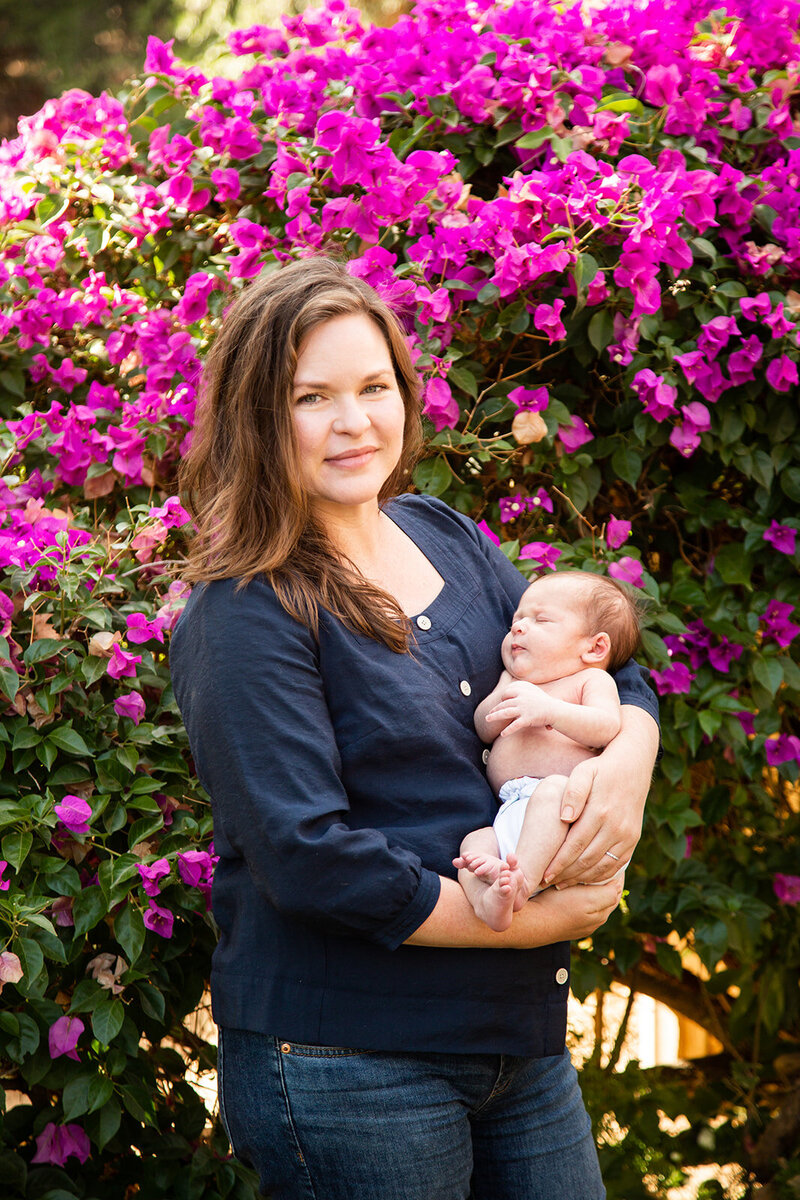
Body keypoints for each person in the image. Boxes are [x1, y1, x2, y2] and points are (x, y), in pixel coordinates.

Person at [169, 256, 660, 1200]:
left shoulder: (445, 531)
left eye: (374, 386)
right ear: (256, 417)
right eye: (313, 397)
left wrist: (631, 757)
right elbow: (309, 855)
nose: (355, 423)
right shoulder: (243, 612)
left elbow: (605, 663)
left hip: (516, 1045)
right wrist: (532, 927)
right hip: (350, 1062)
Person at [454, 571, 642, 932]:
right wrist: (501, 704)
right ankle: (489, 900)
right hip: (511, 808)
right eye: (516, 621)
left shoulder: (590, 680)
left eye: (540, 620)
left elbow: (606, 726)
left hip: (564, 811)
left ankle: (522, 882)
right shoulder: (514, 680)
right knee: (474, 843)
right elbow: (483, 724)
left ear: (594, 648)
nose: (518, 629)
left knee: (553, 791)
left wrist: (550, 711)